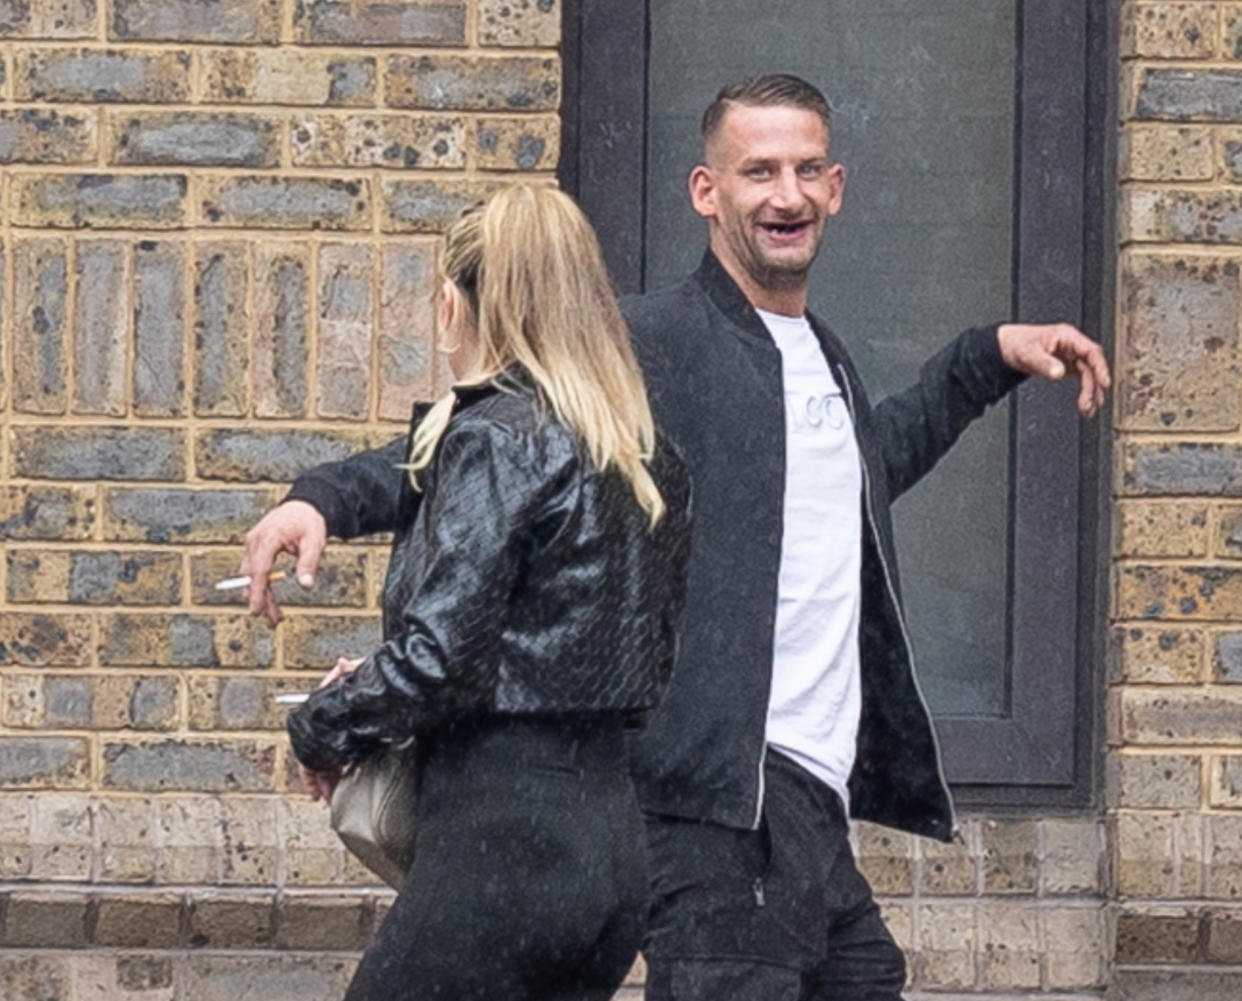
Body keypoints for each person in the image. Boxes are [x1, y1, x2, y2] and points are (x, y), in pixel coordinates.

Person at [245, 76, 1109, 1000]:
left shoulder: (826, 358)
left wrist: (984, 361)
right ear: (707, 191)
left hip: (807, 804)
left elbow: (866, 477)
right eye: (759, 170)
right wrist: (328, 499)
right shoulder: (652, 343)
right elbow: (504, 443)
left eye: (807, 169)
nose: (787, 194)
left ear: (838, 187)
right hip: (716, 803)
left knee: (865, 976)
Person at [283, 184, 692, 1001]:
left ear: (455, 303)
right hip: (611, 849)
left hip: (501, 842)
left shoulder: (496, 439)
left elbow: (438, 662)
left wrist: (320, 724)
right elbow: (602, 654)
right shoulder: (648, 457)